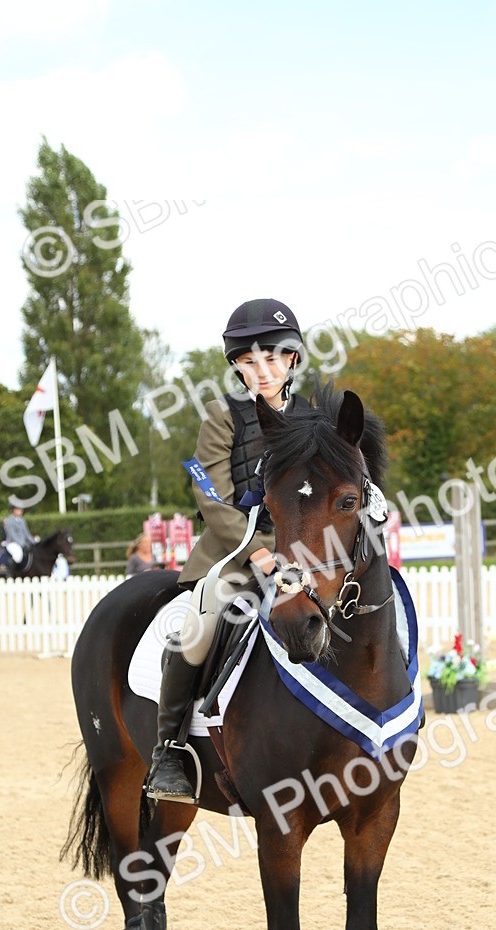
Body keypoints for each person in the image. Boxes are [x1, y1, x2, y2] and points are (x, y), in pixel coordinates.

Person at [147, 298, 309, 801]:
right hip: (232, 555)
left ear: (292, 361)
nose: (262, 370)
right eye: (249, 360)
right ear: (236, 364)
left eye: (273, 358)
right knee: (201, 625)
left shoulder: (313, 419)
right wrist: (260, 552)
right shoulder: (221, 417)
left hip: (307, 551)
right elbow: (212, 499)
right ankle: (168, 751)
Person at [0, 502, 35, 567]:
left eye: (21, 509)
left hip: (23, 543)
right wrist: (22, 544)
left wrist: (34, 542)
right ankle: (10, 571)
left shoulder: (22, 520)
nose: (20, 511)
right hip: (12, 543)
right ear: (12, 510)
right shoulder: (9, 521)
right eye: (18, 509)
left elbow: (26, 533)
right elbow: (13, 536)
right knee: (18, 555)